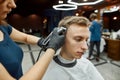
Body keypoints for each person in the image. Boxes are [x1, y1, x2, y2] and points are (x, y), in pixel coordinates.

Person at [0, 0, 65, 80]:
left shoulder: (2, 27)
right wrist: (52, 48)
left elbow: (25, 38)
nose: (13, 5)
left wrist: (42, 41)